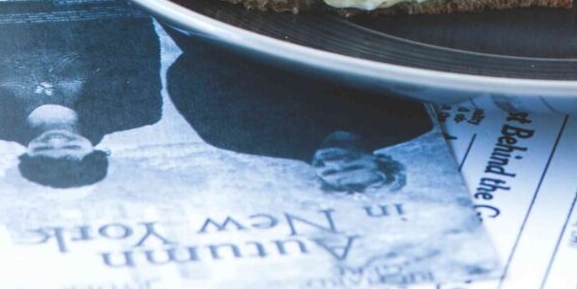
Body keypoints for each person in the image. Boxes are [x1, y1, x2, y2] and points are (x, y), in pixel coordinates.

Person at [165, 34, 434, 193]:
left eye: (329, 172)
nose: (334, 162)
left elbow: (185, 74)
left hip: (219, 33)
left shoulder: (243, 139)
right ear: (381, 163)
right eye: (351, 166)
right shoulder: (406, 120)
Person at [0, 0, 162, 188]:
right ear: (94, 152)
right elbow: (135, 29)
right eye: (71, 148)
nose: (55, 141)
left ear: (27, 155)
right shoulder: (137, 110)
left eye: (44, 150)